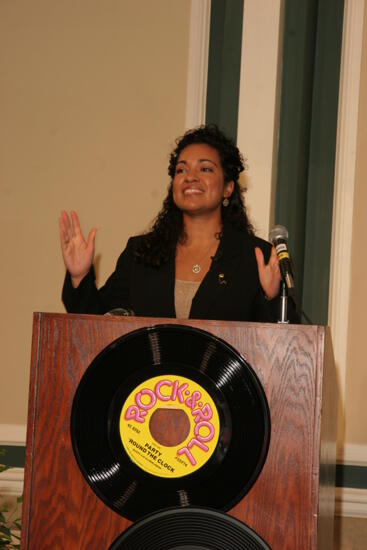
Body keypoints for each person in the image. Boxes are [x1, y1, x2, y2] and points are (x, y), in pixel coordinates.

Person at [60, 124, 298, 322]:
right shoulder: (140, 254)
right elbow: (96, 324)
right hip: (152, 380)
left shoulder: (254, 258)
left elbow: (284, 351)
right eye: (181, 170)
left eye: (205, 168)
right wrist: (79, 277)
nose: (190, 177)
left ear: (228, 187)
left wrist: (273, 297)